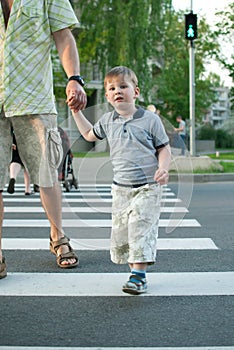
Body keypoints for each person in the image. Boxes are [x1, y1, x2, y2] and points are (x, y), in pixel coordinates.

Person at [0, 0, 87, 279]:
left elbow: (63, 36)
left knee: (47, 174)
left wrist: (74, 78)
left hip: (34, 97)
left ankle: (58, 237)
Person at [72, 66, 171, 295]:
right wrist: (77, 113)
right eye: (112, 88)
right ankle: (135, 272)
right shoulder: (107, 120)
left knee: (140, 228)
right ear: (107, 96)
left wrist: (163, 168)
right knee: (124, 234)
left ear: (135, 92)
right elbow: (89, 135)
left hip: (148, 186)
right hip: (121, 189)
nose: (118, 91)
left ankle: (138, 276)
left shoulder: (150, 120)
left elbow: (163, 148)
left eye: (123, 86)